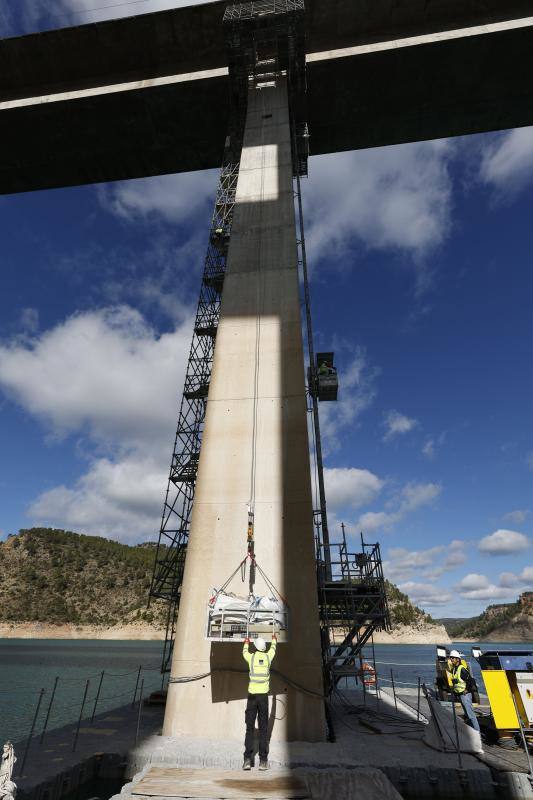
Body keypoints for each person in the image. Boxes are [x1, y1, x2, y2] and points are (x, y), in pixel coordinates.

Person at [242, 633, 277, 771]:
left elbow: (244, 651)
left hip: (252, 697)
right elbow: (273, 649)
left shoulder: (251, 658)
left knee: (249, 729)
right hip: (263, 698)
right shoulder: (268, 657)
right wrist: (274, 639)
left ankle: (247, 760)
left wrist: (246, 641)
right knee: (263, 729)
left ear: (255, 647)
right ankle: (263, 761)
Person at [449, 650, 480, 732]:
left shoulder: (462, 669)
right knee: (467, 715)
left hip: (465, 695)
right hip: (460, 695)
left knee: (471, 715)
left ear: (458, 659)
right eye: (450, 658)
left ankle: (477, 733)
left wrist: (467, 690)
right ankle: (471, 731)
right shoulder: (453, 669)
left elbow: (471, 681)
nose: (451, 659)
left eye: (453, 658)